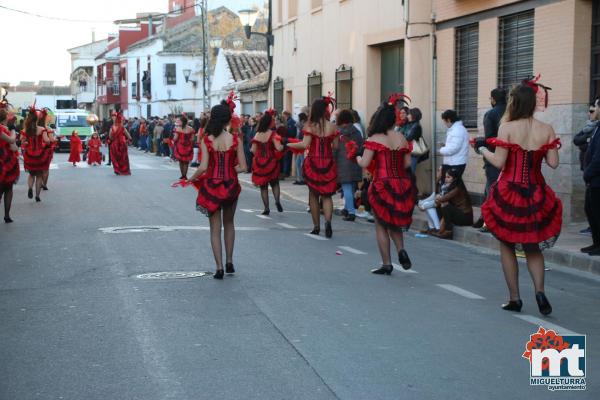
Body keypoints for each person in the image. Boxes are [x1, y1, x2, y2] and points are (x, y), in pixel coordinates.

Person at [475, 80, 561, 315]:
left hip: (510, 192)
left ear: (513, 102)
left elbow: (499, 162)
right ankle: (540, 292)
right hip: (536, 192)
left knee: (507, 244)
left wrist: (482, 149)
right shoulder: (547, 129)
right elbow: (553, 163)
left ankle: (515, 298)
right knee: (533, 247)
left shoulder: (507, 128)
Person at [188, 101, 247, 279]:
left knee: (215, 228)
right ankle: (230, 262)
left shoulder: (207, 140)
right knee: (229, 223)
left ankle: (219, 267)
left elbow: (203, 167)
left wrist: (189, 179)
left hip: (212, 186)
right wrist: (229, 171)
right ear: (227, 120)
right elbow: (243, 167)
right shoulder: (235, 140)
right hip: (230, 186)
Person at [356, 99, 416, 274]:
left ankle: (387, 263)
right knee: (394, 222)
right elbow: (406, 164)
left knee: (381, 223)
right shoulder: (402, 138)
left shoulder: (375, 138)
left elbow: (365, 162)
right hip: (400, 183)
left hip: (382, 183)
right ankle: (401, 250)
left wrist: (357, 158)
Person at [288, 95, 339, 238]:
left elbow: (304, 145)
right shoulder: (333, 126)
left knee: (313, 194)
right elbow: (335, 146)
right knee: (327, 195)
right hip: (328, 161)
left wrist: (288, 144)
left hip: (313, 161)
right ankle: (328, 222)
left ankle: (316, 227)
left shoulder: (311, 126)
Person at [473, 88, 508, 230]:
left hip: (495, 157)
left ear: (493, 99)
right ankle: (484, 217)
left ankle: (489, 222)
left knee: (492, 188)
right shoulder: (513, 112)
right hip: (512, 158)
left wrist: (480, 143)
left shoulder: (491, 114)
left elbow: (490, 139)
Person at [251, 109, 284, 215]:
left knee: (263, 186)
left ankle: (266, 208)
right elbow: (279, 148)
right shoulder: (273, 134)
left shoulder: (257, 134)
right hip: (271, 161)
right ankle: (277, 201)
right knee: (275, 183)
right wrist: (284, 145)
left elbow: (253, 150)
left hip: (259, 161)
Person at [335, 109, 364, 221]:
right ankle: (347, 208)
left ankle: (351, 212)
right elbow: (361, 147)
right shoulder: (356, 131)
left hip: (343, 163)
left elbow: (335, 149)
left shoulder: (339, 132)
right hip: (354, 161)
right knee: (351, 187)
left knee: (346, 187)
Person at [430, 168, 473, 239]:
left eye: (448, 177)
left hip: (465, 217)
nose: (446, 179)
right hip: (457, 213)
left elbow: (444, 198)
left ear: (455, 178)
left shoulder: (457, 187)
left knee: (444, 204)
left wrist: (438, 197)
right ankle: (438, 228)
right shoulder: (447, 186)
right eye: (445, 177)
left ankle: (448, 231)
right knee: (438, 204)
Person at [581, 97, 600, 256]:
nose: (593, 110)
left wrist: (588, 173)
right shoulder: (596, 127)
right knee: (590, 210)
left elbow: (598, 158)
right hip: (592, 179)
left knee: (597, 212)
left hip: (596, 179)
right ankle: (596, 243)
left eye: (595, 107)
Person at [21, 106, 51, 202]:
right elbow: (47, 141)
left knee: (31, 174)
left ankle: (30, 188)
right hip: (40, 155)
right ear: (37, 118)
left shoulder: (26, 129)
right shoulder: (41, 129)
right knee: (39, 175)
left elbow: (22, 141)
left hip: (29, 154)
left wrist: (26, 143)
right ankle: (37, 196)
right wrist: (48, 142)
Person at [0, 108, 20, 222]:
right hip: (5, 162)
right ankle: (7, 215)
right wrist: (13, 131)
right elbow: (12, 143)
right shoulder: (3, 129)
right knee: (8, 188)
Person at [439, 109, 469, 179]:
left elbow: (454, 148)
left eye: (445, 122)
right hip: (453, 162)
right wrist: (445, 146)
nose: (445, 124)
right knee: (452, 185)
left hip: (455, 163)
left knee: (451, 186)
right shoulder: (456, 129)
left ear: (449, 120)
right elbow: (454, 145)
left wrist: (441, 150)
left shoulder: (457, 130)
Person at [109, 111, 132, 175]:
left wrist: (111, 140)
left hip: (115, 144)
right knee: (123, 158)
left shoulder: (112, 127)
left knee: (115, 157)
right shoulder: (122, 127)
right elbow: (128, 135)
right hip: (122, 143)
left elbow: (110, 136)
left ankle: (117, 169)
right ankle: (124, 170)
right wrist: (130, 139)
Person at [404, 107, 426, 175]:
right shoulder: (412, 125)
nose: (407, 116)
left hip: (413, 152)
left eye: (409, 114)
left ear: (413, 115)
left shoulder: (416, 126)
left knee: (410, 174)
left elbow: (408, 138)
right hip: (410, 152)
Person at [173, 114, 194, 180]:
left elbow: (175, 138)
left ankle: (182, 175)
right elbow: (192, 139)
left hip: (180, 146)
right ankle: (185, 175)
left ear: (182, 122)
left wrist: (174, 140)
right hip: (188, 146)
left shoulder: (178, 129)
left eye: (180, 121)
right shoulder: (191, 129)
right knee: (186, 162)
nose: (179, 122)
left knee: (181, 161)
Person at [281, 111, 297, 177]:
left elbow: (291, 133)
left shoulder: (291, 122)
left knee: (287, 158)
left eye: (283, 115)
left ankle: (286, 172)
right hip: (287, 141)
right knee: (286, 158)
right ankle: (286, 171)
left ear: (286, 115)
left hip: (289, 141)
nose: (283, 117)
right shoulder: (288, 121)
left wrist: (286, 138)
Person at [293, 113, 308, 185]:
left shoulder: (305, 125)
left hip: (303, 146)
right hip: (300, 145)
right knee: (298, 163)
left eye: (299, 118)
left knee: (302, 163)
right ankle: (300, 178)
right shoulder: (301, 125)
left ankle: (303, 179)